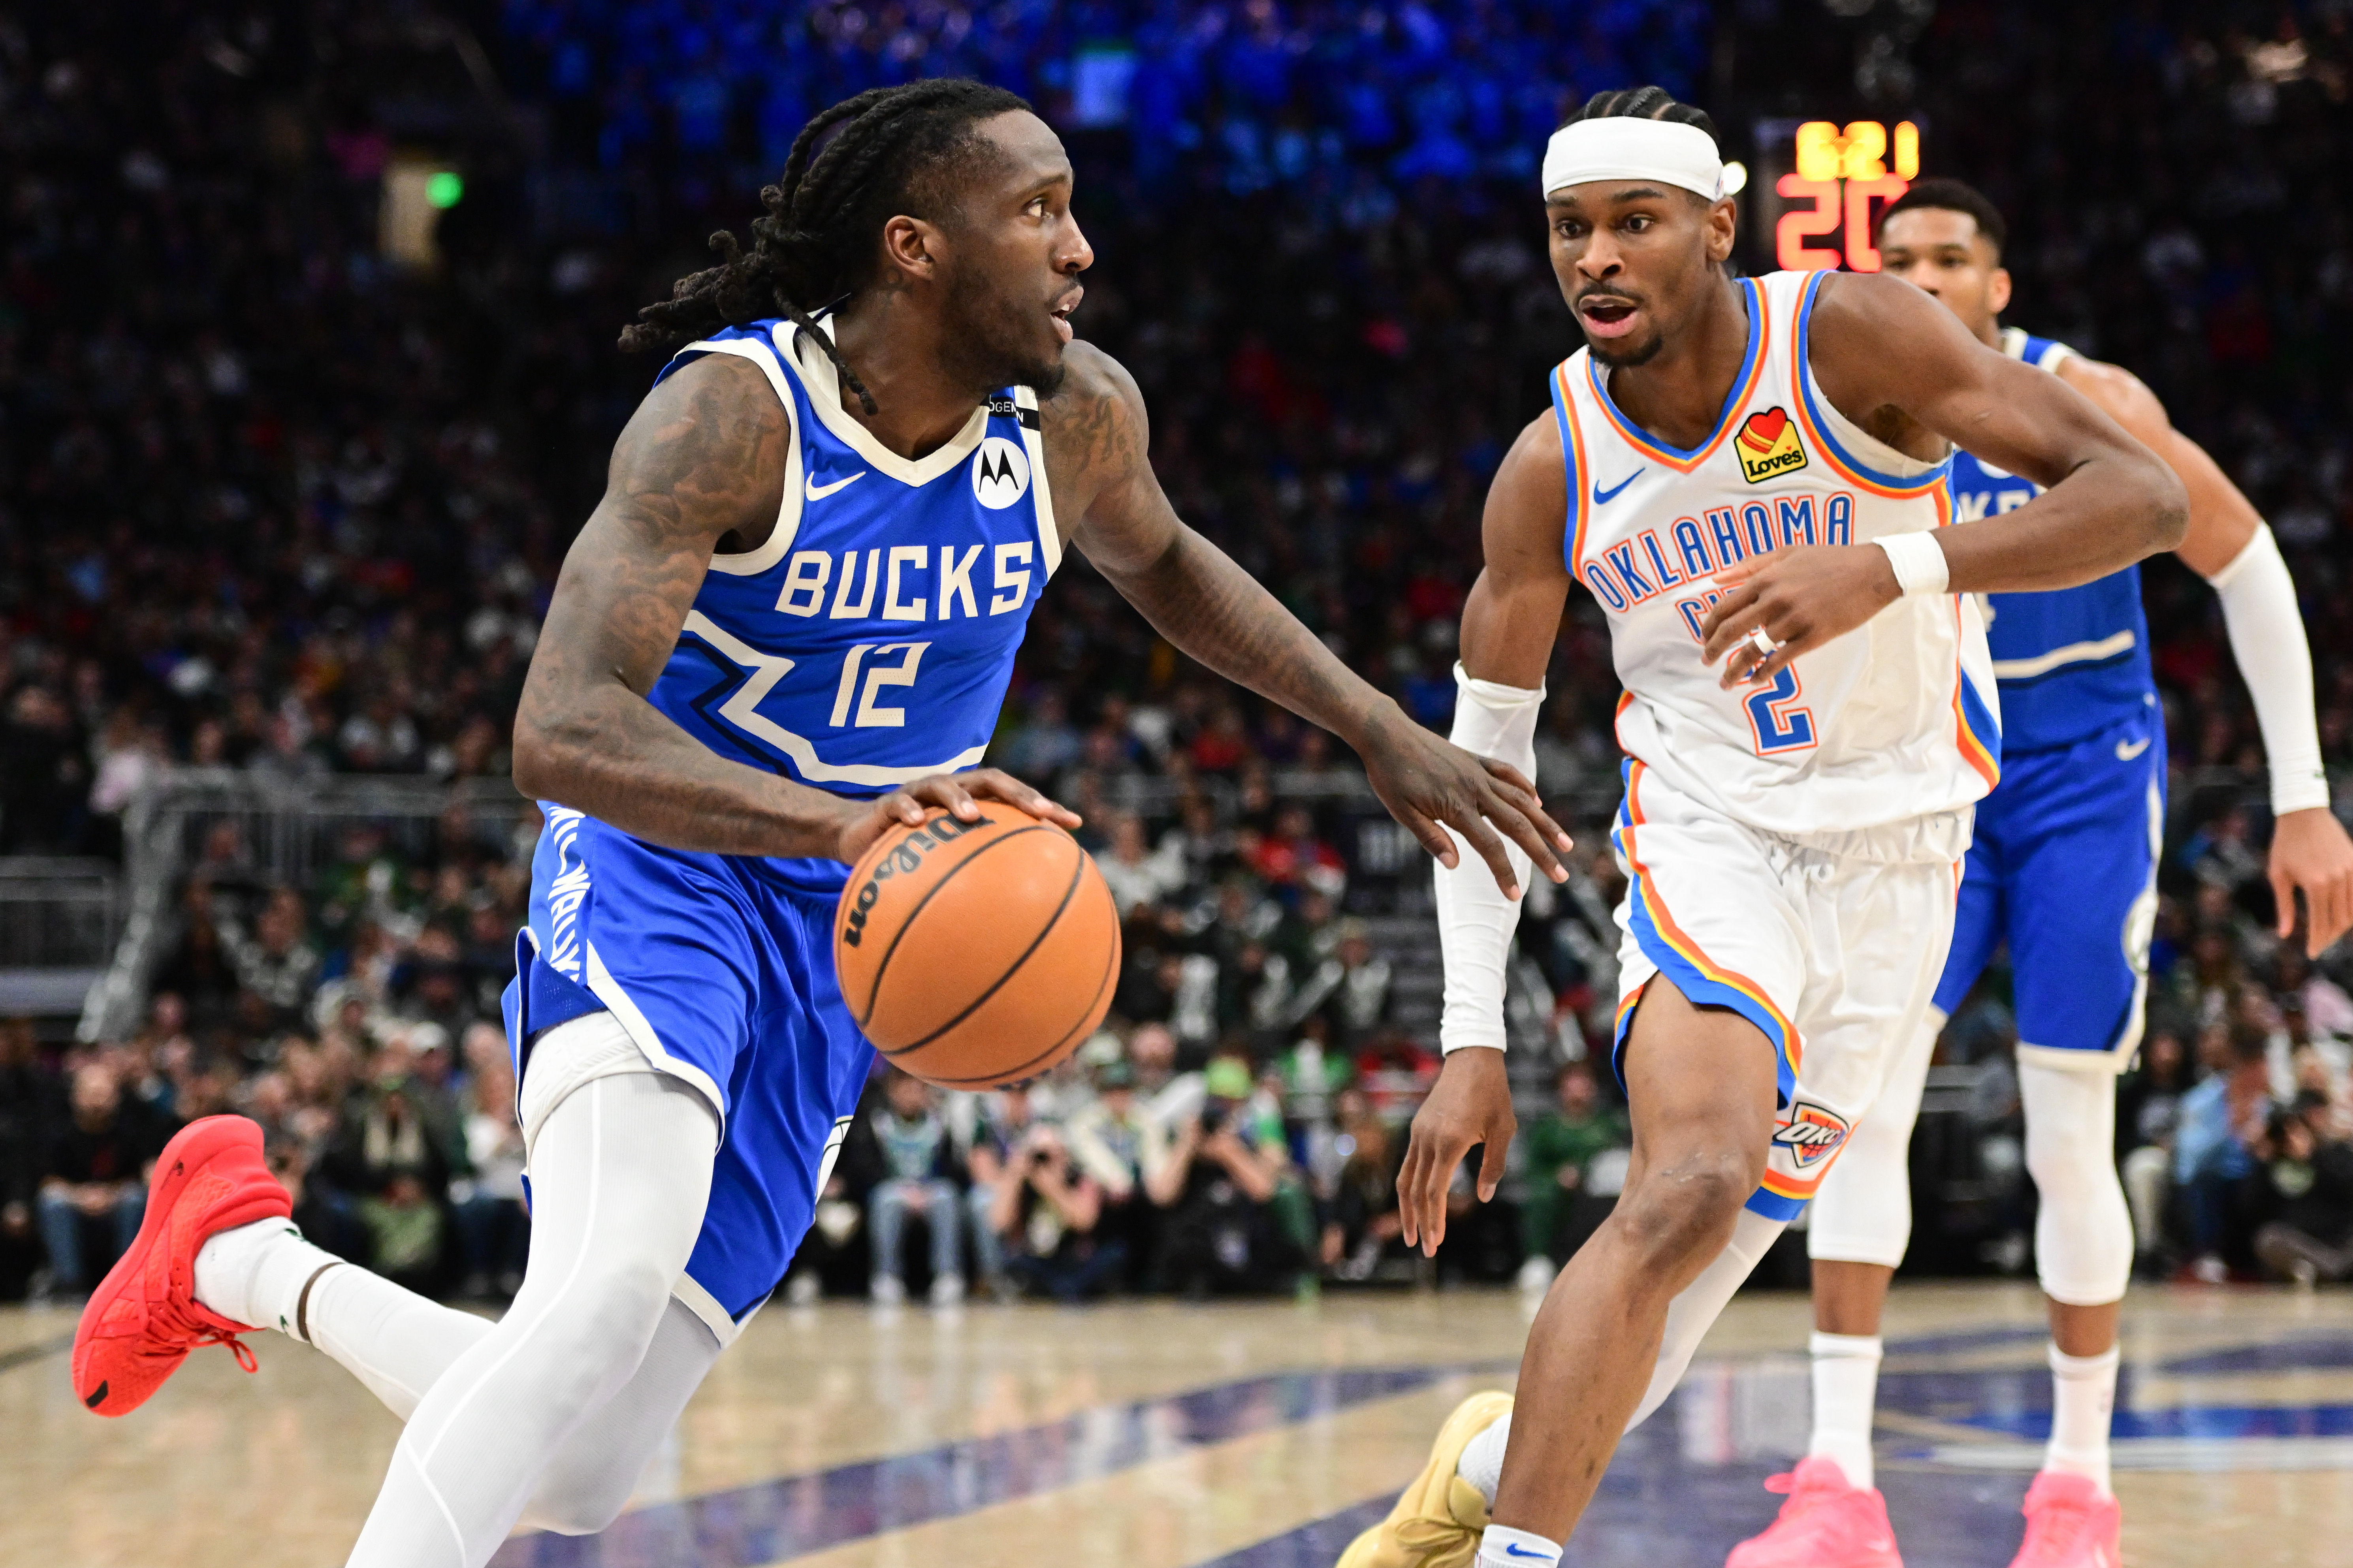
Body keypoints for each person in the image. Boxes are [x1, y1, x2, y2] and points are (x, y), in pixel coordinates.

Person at [72, 79, 1571, 1568]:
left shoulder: (1072, 420)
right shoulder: (732, 416)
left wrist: (1381, 727)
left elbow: (1172, 567)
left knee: (582, 1461)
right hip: (671, 876)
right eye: (1038, 210)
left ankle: (232, 1249)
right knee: (592, 1295)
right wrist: (843, 818)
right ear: (914, 247)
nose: (1081, 248)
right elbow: (560, 725)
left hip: (847, 938)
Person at [1340, 86, 2185, 1568]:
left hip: (1904, 853)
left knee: (1682, 1290)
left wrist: (1897, 565)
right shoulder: (1551, 470)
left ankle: (1476, 1470)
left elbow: (2143, 494)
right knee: (1687, 1178)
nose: (1594, 258)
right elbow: (1480, 765)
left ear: (1716, 229)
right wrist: (1467, 1032)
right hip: (1711, 835)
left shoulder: (1851, 336)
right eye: (1567, 229)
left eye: (1632, 223)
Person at [1726, 177, 2353, 1568]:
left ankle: (2074, 1495)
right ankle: (1836, 1485)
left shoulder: (2087, 402)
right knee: (1858, 1107)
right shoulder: (1823, 421)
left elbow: (2245, 566)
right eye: (1898, 260)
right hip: (1919, 784)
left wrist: (2300, 802)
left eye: (1952, 258)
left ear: (1998, 289)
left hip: (2077, 781)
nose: (1925, 278)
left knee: (2065, 1124)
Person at [37, 1062, 167, 1297]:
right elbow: (48, 1181)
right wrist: (81, 1197)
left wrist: (110, 1195)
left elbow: (143, 1176)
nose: (97, 1101)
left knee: (136, 1199)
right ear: (76, 1097)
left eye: (103, 1094)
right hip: (75, 1205)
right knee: (52, 1202)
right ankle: (70, 1285)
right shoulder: (58, 1133)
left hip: (119, 1205)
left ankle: (127, 1281)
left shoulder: (132, 1132)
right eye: (91, 1094)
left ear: (116, 1097)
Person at [1513, 1060, 1629, 1292]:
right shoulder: (1547, 1128)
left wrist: (1583, 1170)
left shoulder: (1606, 1125)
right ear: (1561, 1089)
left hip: (1599, 1187)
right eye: (1572, 1084)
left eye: (1585, 1083)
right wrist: (1558, 1176)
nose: (1579, 1090)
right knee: (1543, 1196)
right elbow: (1534, 1167)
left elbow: (1612, 1155)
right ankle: (1539, 1260)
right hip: (1555, 1187)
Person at [861, 1069, 968, 1305]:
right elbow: (868, 1171)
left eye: (917, 1090)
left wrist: (925, 1191)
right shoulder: (879, 1124)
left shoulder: (939, 1125)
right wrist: (905, 1191)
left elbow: (954, 1172)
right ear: (893, 1092)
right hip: (893, 1189)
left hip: (930, 1190)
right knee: (884, 1200)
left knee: (947, 1197)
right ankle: (887, 1277)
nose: (911, 1096)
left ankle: (946, 1276)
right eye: (905, 1089)